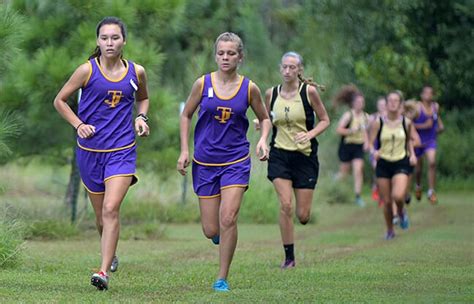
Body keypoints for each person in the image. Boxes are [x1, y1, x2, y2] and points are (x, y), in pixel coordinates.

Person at [53, 17, 150, 290]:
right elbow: (59, 100)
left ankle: (103, 271)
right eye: (105, 38)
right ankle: (112, 252)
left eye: (115, 37)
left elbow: (143, 98)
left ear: (124, 41)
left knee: (111, 208)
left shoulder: (136, 71)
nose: (110, 42)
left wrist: (142, 118)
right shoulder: (86, 71)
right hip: (90, 152)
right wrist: (79, 125)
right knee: (101, 217)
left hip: (121, 150)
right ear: (98, 41)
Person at [177, 32, 271, 292]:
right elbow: (186, 115)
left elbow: (265, 118)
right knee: (211, 229)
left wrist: (263, 140)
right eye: (221, 53)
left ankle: (222, 277)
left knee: (228, 217)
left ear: (240, 57)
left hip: (236, 160)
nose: (225, 57)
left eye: (231, 53)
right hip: (205, 161)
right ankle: (219, 235)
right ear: (215, 55)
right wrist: (184, 150)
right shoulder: (202, 83)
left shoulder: (249, 88)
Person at [265, 52, 330, 269]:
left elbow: (325, 120)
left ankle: (292, 249)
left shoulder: (309, 92)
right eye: (284, 67)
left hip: (305, 156)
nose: (287, 71)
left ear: (299, 70)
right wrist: (262, 133)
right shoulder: (271, 94)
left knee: (302, 215)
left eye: (292, 67)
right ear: (280, 68)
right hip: (279, 154)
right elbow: (267, 120)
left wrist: (310, 135)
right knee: (285, 205)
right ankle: (289, 258)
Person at [369, 91, 417, 240]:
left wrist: (413, 154)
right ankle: (390, 230)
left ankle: (401, 212)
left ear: (400, 104)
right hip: (383, 163)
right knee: (387, 202)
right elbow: (370, 143)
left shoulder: (406, 122)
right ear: (386, 103)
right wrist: (374, 152)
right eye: (390, 100)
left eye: (396, 101)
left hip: (401, 161)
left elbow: (409, 140)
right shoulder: (379, 122)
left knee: (398, 195)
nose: (393, 103)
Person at [335, 85, 370, 206]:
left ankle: (358, 196)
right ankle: (335, 189)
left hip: (358, 147)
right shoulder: (348, 115)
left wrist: (367, 142)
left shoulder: (366, 117)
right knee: (343, 174)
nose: (360, 104)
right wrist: (351, 131)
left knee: (358, 170)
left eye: (362, 102)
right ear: (353, 103)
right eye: (358, 102)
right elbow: (338, 129)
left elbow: (366, 131)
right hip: (347, 146)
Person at [413, 85, 444, 204]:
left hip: (430, 141)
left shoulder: (435, 106)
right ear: (422, 95)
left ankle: (431, 192)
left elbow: (436, 121)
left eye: (431, 93)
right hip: (418, 141)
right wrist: (424, 126)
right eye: (426, 93)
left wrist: (440, 127)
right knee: (418, 169)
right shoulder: (417, 107)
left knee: (432, 162)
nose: (428, 95)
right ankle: (418, 186)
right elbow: (410, 124)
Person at [368, 97, 386, 206]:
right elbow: (367, 131)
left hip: (386, 149)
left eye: (384, 104)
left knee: (384, 172)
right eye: (380, 105)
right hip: (375, 148)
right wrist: (367, 142)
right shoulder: (372, 118)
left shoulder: (390, 118)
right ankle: (377, 189)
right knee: (377, 168)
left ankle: (381, 193)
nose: (382, 107)